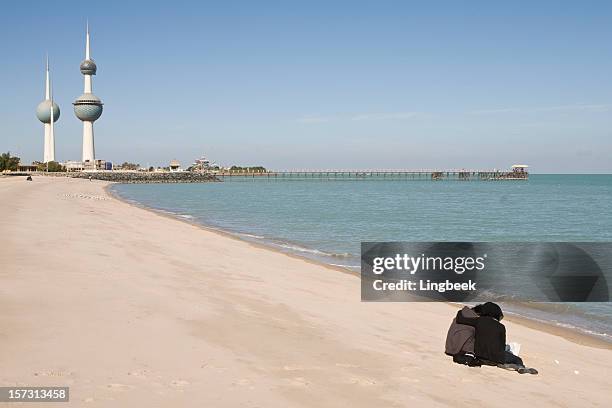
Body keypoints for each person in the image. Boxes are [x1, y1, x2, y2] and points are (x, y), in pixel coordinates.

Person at [455, 302, 537, 374]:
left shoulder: (479, 320)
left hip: (480, 357)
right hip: (496, 358)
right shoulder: (501, 327)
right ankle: (520, 367)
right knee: (517, 359)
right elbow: (501, 346)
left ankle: (503, 364)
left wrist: (460, 311)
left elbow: (460, 319)